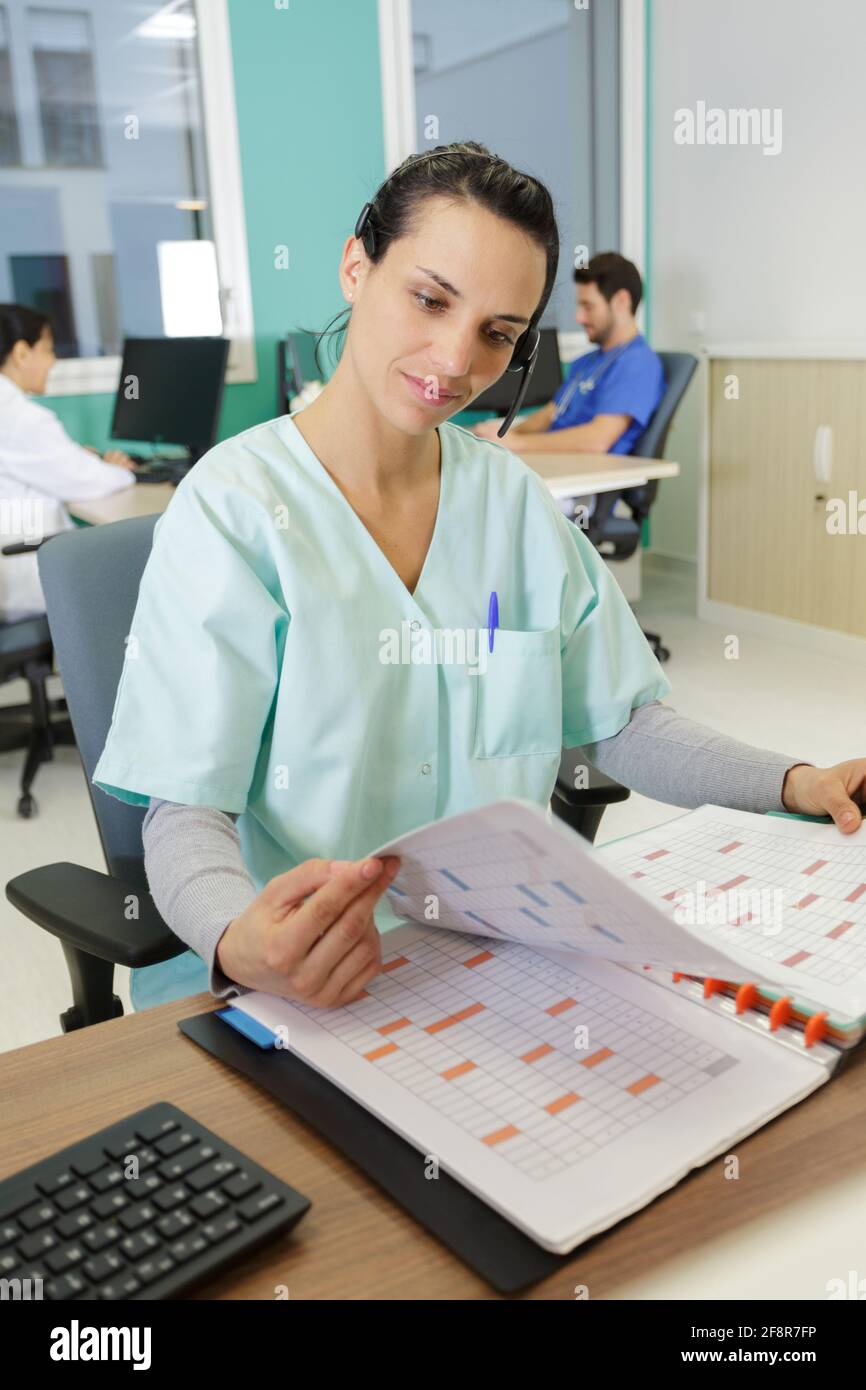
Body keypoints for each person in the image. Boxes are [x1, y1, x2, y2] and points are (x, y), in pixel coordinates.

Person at [91, 142, 866, 1016]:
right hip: (300, 985)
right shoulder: (235, 511)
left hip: (498, 961)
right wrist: (243, 941)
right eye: (430, 298)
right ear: (357, 265)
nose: (457, 361)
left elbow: (623, 724)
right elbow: (185, 815)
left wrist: (794, 781)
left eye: (499, 333)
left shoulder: (512, 503)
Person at [0, 304, 136, 622]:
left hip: (13, 557)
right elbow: (88, 482)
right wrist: (119, 471)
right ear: (21, 353)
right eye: (47, 350)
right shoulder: (21, 419)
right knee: (142, 559)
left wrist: (81, 460)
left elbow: (54, 466)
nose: (54, 362)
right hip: (23, 570)